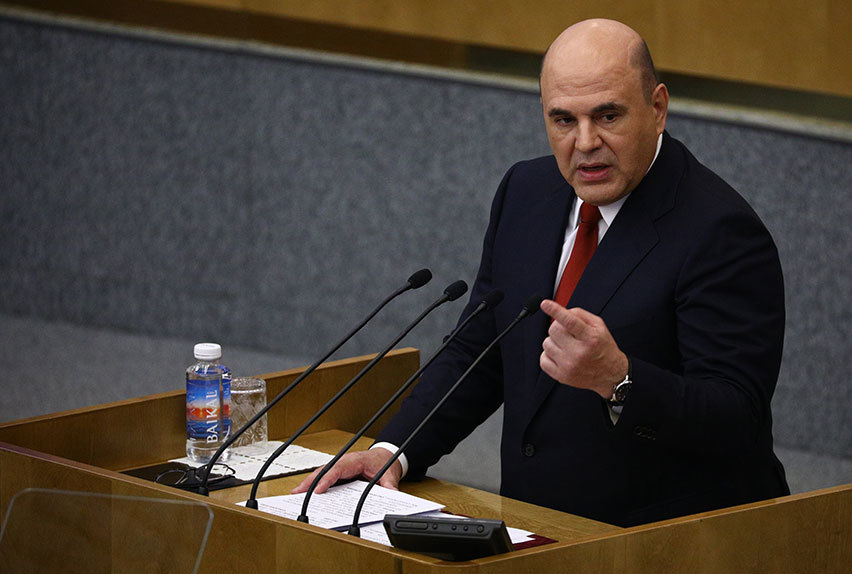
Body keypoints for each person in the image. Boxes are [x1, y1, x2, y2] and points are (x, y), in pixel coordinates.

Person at [294, 18, 789, 527]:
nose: (586, 142)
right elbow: (480, 350)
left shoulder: (718, 229)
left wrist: (620, 381)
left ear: (657, 108)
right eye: (564, 120)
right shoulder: (526, 191)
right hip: (535, 525)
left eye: (608, 116)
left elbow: (737, 419)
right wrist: (392, 452)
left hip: (658, 539)